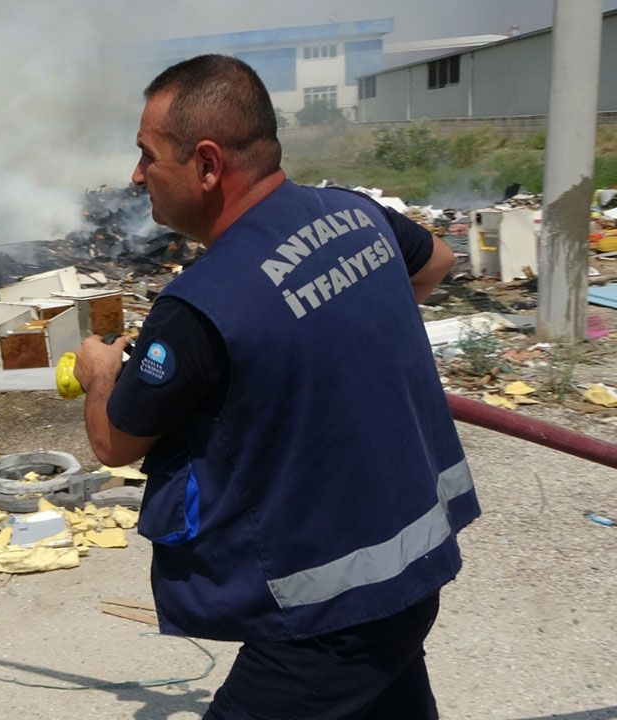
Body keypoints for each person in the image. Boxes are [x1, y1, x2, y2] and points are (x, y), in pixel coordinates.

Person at [71, 54, 480, 719]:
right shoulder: (354, 214)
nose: (136, 175)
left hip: (326, 619)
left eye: (148, 155)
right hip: (413, 570)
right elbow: (438, 260)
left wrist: (98, 375)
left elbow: (114, 442)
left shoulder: (199, 307)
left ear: (206, 165)